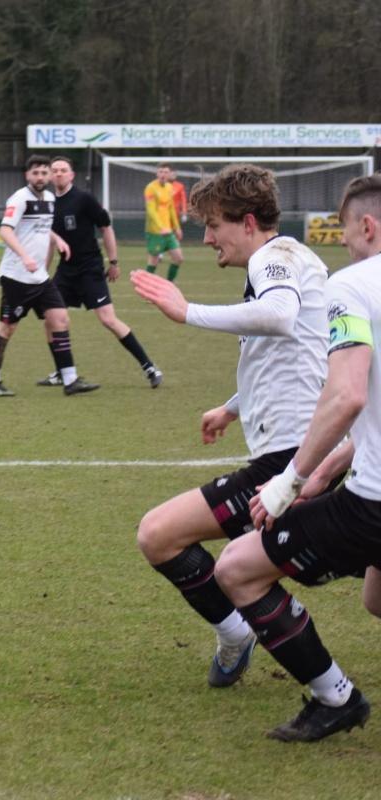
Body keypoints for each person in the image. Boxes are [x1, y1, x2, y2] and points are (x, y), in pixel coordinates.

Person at [131, 164, 334, 695]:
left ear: (247, 222)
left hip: (291, 458)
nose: (206, 238)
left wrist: (187, 312)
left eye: (213, 224)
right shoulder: (291, 259)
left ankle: (242, 636)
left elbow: (280, 317)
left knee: (159, 535)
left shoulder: (273, 257)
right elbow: (299, 351)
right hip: (304, 449)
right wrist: (232, 408)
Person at [213, 174, 381, 742]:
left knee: (236, 569)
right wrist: (328, 470)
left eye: (346, 234)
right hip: (364, 478)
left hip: (374, 502)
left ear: (367, 226)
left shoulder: (352, 284)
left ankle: (336, 698)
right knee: (376, 597)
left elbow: (347, 396)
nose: (344, 245)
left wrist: (291, 478)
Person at [36, 155, 163, 389]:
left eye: (63, 170)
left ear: (71, 175)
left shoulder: (84, 199)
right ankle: (62, 372)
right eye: (55, 170)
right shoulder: (49, 204)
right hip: (66, 271)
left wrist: (113, 262)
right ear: (51, 176)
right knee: (50, 319)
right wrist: (43, 273)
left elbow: (106, 227)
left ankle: (149, 367)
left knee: (108, 319)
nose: (59, 173)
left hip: (90, 268)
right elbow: (51, 243)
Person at [0, 154, 99, 397]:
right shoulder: (19, 198)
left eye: (44, 173)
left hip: (39, 277)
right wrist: (25, 256)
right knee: (7, 328)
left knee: (60, 319)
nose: (40, 177)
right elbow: (5, 231)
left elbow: (42, 228)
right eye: (35, 173)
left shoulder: (49, 199)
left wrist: (58, 239)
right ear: (27, 175)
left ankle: (70, 379)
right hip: (16, 276)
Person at [144, 163, 184, 281]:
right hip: (155, 231)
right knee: (153, 261)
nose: (163, 174)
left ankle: (169, 284)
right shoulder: (150, 188)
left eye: (166, 172)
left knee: (178, 258)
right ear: (157, 173)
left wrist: (177, 227)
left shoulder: (169, 188)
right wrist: (161, 227)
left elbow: (171, 209)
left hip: (168, 231)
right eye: (161, 172)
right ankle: (145, 287)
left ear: (169, 174)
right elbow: (151, 211)